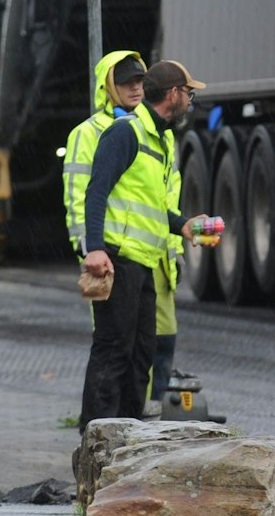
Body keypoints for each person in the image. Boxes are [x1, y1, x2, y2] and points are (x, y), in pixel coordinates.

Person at [75, 60, 207, 427]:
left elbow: (150, 207)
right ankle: (97, 439)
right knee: (113, 352)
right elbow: (96, 192)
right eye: (188, 93)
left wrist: (184, 226)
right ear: (172, 95)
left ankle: (127, 440)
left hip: (144, 262)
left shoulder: (160, 138)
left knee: (140, 355)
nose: (191, 101)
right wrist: (96, 248)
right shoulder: (125, 133)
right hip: (118, 260)